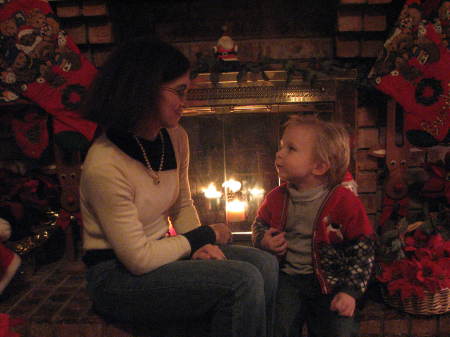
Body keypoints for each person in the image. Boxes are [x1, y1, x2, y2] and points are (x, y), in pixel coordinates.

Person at [80, 36, 278, 337]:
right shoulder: (104, 164)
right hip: (116, 276)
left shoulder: (175, 137)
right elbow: (138, 259)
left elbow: (182, 204)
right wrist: (204, 235)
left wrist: (202, 247)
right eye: (179, 91)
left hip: (161, 252)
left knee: (264, 264)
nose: (185, 102)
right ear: (145, 89)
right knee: (242, 280)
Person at [252, 115, 375, 337]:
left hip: (333, 284)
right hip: (288, 280)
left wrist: (350, 292)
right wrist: (264, 240)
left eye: (291, 149)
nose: (279, 154)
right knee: (278, 326)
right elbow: (259, 225)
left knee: (339, 329)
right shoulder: (275, 198)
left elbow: (363, 249)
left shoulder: (344, 202)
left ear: (319, 166)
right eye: (281, 147)